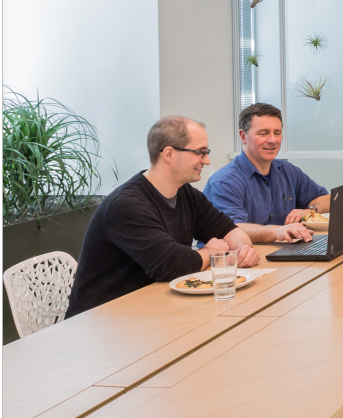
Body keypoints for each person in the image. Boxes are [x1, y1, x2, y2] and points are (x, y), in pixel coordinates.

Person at [66, 116, 260, 317]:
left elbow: (231, 231)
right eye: (200, 152)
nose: (206, 160)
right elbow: (172, 266)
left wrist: (242, 250)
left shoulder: (186, 193)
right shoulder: (126, 205)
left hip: (151, 310)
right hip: (101, 322)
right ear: (169, 154)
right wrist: (212, 253)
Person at [203, 103, 329, 243]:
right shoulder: (224, 182)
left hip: (281, 253)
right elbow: (231, 229)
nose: (272, 140)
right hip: (237, 259)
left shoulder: (288, 171)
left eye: (277, 133)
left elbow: (327, 199)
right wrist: (277, 231)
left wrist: (311, 210)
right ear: (243, 136)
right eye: (263, 133)